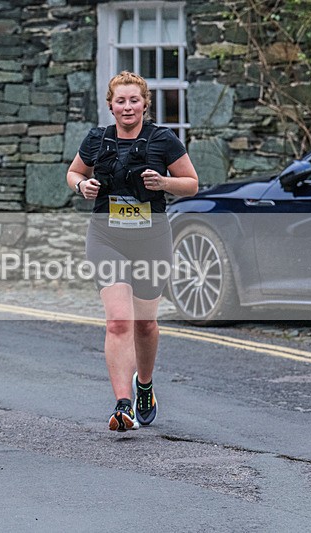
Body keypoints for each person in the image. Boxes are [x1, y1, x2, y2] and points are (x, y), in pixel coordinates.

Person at [66, 71, 198, 432]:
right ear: (110, 106)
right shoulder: (97, 139)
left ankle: (145, 386)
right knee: (118, 321)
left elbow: (191, 184)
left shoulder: (163, 140)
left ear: (145, 104)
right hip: (106, 236)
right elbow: (73, 172)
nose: (127, 107)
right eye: (120, 101)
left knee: (145, 324)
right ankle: (122, 404)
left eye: (134, 100)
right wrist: (83, 185)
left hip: (151, 238)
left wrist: (164, 182)